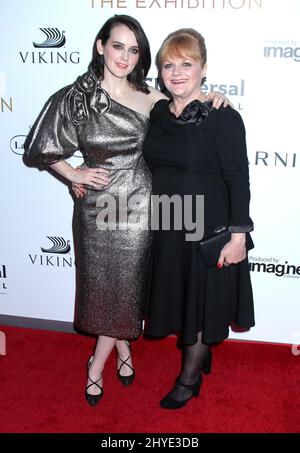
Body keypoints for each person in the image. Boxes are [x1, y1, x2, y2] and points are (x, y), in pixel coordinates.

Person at [24, 15, 228, 407]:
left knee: (129, 292)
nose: (125, 56)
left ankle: (105, 360)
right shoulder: (76, 97)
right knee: (104, 291)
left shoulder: (151, 96)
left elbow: (188, 104)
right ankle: (110, 358)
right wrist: (72, 172)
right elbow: (39, 146)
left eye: (134, 50)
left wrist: (216, 97)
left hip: (144, 209)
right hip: (99, 210)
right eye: (117, 46)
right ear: (100, 46)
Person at [142, 28, 255, 409]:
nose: (176, 72)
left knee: (203, 301)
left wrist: (238, 236)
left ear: (203, 68)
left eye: (186, 64)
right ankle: (201, 351)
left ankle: (188, 380)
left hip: (209, 229)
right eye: (168, 65)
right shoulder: (157, 112)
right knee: (183, 300)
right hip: (169, 223)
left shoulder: (223, 117)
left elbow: (239, 180)